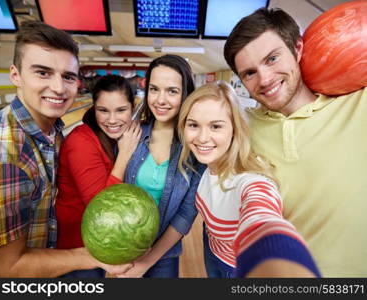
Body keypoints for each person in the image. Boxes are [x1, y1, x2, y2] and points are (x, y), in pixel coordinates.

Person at [0, 21, 131, 278]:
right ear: (15, 75)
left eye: (68, 76)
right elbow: (6, 269)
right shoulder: (0, 152)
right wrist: (94, 256)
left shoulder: (53, 129)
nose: (59, 88)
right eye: (43, 72)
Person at [223, 7, 367, 277]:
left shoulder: (359, 104)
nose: (265, 79)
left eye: (273, 58)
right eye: (249, 73)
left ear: (298, 48)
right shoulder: (242, 129)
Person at [177, 81, 320, 278]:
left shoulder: (249, 179)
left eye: (216, 126)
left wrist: (277, 257)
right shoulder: (203, 164)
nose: (202, 138)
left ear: (235, 129)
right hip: (211, 249)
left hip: (235, 268)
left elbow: (261, 215)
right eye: (193, 125)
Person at [118, 54, 205, 278]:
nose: (160, 100)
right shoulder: (132, 137)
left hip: (163, 256)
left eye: (172, 91)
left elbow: (186, 214)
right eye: (154, 89)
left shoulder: (195, 148)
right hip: (124, 248)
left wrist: (147, 261)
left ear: (185, 94)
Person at [55, 75, 141, 277]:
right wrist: (125, 154)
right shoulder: (81, 143)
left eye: (121, 110)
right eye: (103, 110)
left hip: (99, 243)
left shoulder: (119, 136)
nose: (112, 120)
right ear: (94, 108)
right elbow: (101, 208)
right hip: (76, 247)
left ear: (133, 107)